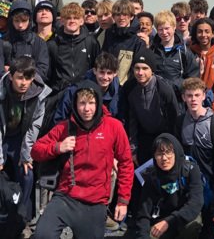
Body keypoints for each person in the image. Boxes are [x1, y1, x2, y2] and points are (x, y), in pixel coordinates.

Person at [31, 83, 134, 239]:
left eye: (91, 103)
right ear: (75, 104)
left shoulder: (114, 127)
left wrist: (123, 201)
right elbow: (36, 151)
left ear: (98, 103)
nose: (87, 109)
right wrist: (58, 147)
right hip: (66, 196)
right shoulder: (65, 127)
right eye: (82, 103)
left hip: (95, 201)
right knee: (42, 235)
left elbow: (126, 163)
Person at [0, 57, 52, 226]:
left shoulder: (39, 94)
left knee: (27, 174)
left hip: (21, 139)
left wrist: (26, 154)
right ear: (10, 76)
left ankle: (22, 217)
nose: (24, 83)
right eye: (20, 78)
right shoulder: (2, 91)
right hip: (3, 137)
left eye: (28, 78)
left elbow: (34, 128)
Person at [177, 77, 214, 239]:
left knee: (210, 229)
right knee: (188, 228)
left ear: (204, 96)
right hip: (189, 186)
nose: (193, 99)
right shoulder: (180, 122)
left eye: (197, 95)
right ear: (183, 97)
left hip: (210, 186)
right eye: (189, 95)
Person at [135, 133, 204, 239]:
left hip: (181, 218)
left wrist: (169, 222)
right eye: (159, 154)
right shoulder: (151, 176)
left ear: (176, 152)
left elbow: (195, 203)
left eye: (168, 152)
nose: (164, 158)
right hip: (160, 221)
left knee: (194, 223)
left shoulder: (190, 170)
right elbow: (144, 213)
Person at [127, 49, 179, 165]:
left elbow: (174, 119)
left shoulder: (164, 89)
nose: (140, 73)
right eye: (137, 68)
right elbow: (132, 122)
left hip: (164, 138)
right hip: (143, 139)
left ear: (152, 70)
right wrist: (133, 149)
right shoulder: (130, 89)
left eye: (145, 68)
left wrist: (172, 147)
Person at [151, 10, 199, 112]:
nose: (164, 33)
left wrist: (173, 85)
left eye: (167, 28)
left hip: (178, 102)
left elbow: (193, 78)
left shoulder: (184, 52)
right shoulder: (151, 51)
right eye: (160, 29)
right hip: (155, 101)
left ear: (174, 27)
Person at [47, 2, 100, 93]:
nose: (72, 21)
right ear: (62, 21)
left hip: (85, 91)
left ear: (82, 21)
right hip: (60, 92)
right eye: (68, 18)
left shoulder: (91, 42)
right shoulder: (52, 45)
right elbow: (48, 73)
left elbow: (97, 67)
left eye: (76, 18)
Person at [54, 52, 120, 123]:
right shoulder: (75, 91)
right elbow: (59, 119)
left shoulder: (119, 94)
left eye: (109, 73)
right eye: (101, 72)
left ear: (115, 73)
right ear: (95, 71)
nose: (105, 77)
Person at [190, 18, 214, 115]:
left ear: (213, 34)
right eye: (200, 32)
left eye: (207, 32)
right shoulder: (190, 51)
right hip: (192, 100)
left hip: (212, 104)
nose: (203, 35)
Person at [2, 0, 49, 80]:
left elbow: (42, 71)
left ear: (29, 21)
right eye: (16, 21)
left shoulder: (39, 42)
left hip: (33, 88)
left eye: (24, 21)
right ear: (11, 21)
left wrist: (14, 71)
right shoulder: (3, 42)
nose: (20, 25)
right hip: (8, 87)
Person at [102, 0, 145, 85]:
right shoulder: (109, 34)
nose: (121, 18)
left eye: (125, 14)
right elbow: (103, 57)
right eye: (118, 15)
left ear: (132, 16)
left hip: (129, 85)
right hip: (108, 82)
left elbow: (138, 66)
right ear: (113, 17)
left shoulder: (138, 38)